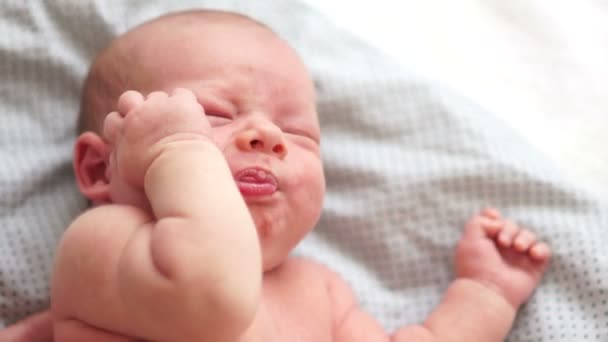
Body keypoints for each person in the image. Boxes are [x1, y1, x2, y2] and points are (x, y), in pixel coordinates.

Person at [0, 9, 551, 341]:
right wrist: (178, 149)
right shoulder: (104, 245)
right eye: (212, 114)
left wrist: (483, 294)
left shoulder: (320, 291)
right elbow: (212, 293)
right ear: (102, 167)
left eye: (300, 133)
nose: (267, 136)